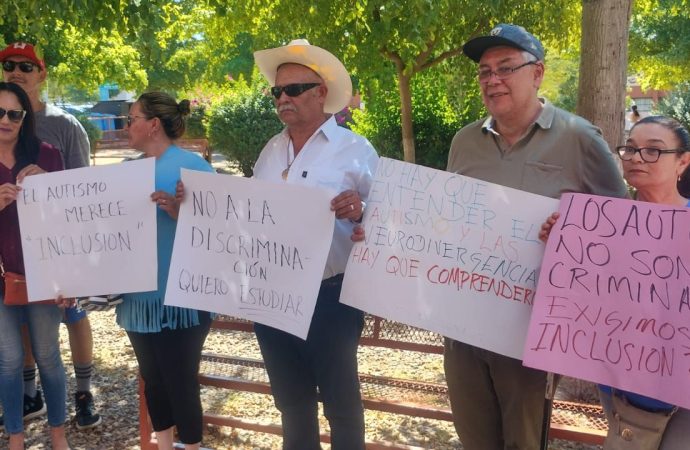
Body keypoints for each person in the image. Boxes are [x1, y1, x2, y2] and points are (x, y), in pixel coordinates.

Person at [443, 24, 629, 450]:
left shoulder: (580, 138)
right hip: (460, 322)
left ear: (537, 73)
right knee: (474, 437)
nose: (492, 79)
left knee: (523, 442)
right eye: (484, 72)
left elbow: (621, 230)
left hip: (533, 329)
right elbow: (447, 217)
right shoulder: (464, 141)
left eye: (505, 68)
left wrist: (576, 233)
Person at [251, 39, 378, 449]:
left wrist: (360, 211)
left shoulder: (356, 151)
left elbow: (388, 220)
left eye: (293, 90)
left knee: (341, 404)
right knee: (292, 404)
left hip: (332, 297)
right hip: (273, 295)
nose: (282, 99)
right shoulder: (270, 152)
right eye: (277, 91)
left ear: (322, 93)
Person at [540, 115, 690, 450]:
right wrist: (561, 247)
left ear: (683, 160)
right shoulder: (600, 225)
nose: (637, 157)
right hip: (620, 387)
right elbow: (588, 297)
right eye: (631, 149)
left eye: (653, 151)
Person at [0, 41, 101, 429]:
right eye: (9, 65)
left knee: (74, 316)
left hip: (60, 248)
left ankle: (84, 391)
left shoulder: (64, 125)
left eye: (27, 66)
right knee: (22, 321)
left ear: (42, 74)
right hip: (13, 256)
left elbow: (85, 188)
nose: (16, 72)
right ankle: (30, 395)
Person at [115, 92, 214, 449]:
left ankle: (191, 445)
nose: (127, 126)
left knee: (180, 379)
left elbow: (220, 232)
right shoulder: (126, 173)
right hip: (138, 300)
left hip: (184, 299)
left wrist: (178, 211)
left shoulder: (196, 169)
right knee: (153, 380)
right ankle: (165, 442)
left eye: (131, 119)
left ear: (152, 124)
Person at [0, 81, 70, 450]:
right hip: (0, 275)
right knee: (9, 360)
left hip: (45, 272)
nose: (6, 120)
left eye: (15, 113)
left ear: (25, 118)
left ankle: (58, 435)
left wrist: (52, 188)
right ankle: (15, 437)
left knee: (47, 354)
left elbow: (73, 217)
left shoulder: (48, 155)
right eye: (0, 112)